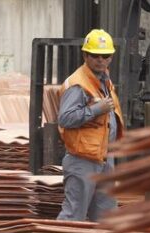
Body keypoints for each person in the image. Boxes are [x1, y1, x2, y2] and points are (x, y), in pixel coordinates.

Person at [56, 28, 124, 222]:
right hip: (82, 159)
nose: (100, 60)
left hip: (103, 158)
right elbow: (65, 118)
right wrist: (96, 110)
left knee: (106, 216)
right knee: (73, 215)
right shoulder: (78, 84)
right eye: (95, 55)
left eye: (105, 55)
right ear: (85, 55)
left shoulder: (104, 80)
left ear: (111, 57)